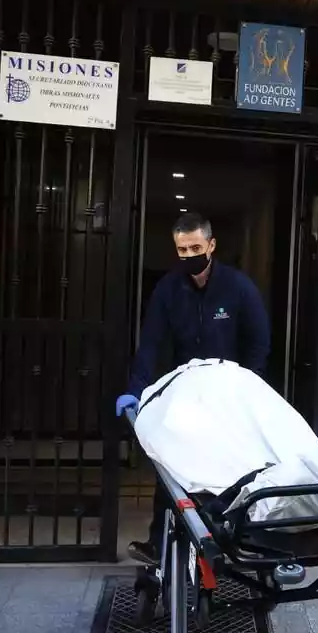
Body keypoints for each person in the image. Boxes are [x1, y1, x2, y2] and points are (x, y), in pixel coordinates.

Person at [116, 211, 270, 564]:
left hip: (229, 394)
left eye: (195, 247)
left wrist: (248, 389)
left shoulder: (238, 288)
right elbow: (151, 343)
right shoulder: (169, 290)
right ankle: (160, 545)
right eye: (182, 249)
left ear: (211, 245)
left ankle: (235, 542)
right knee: (170, 467)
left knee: (234, 468)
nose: (189, 255)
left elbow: (258, 343)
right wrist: (136, 389)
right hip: (185, 391)